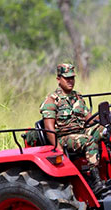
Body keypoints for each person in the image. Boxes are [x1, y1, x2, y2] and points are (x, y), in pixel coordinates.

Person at [40, 63, 104, 193]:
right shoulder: (52, 100)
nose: (70, 81)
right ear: (59, 79)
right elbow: (49, 128)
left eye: (72, 78)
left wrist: (104, 121)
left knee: (107, 130)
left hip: (81, 131)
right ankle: (95, 180)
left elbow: (89, 119)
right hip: (64, 137)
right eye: (67, 78)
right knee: (89, 141)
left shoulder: (78, 97)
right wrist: (58, 147)